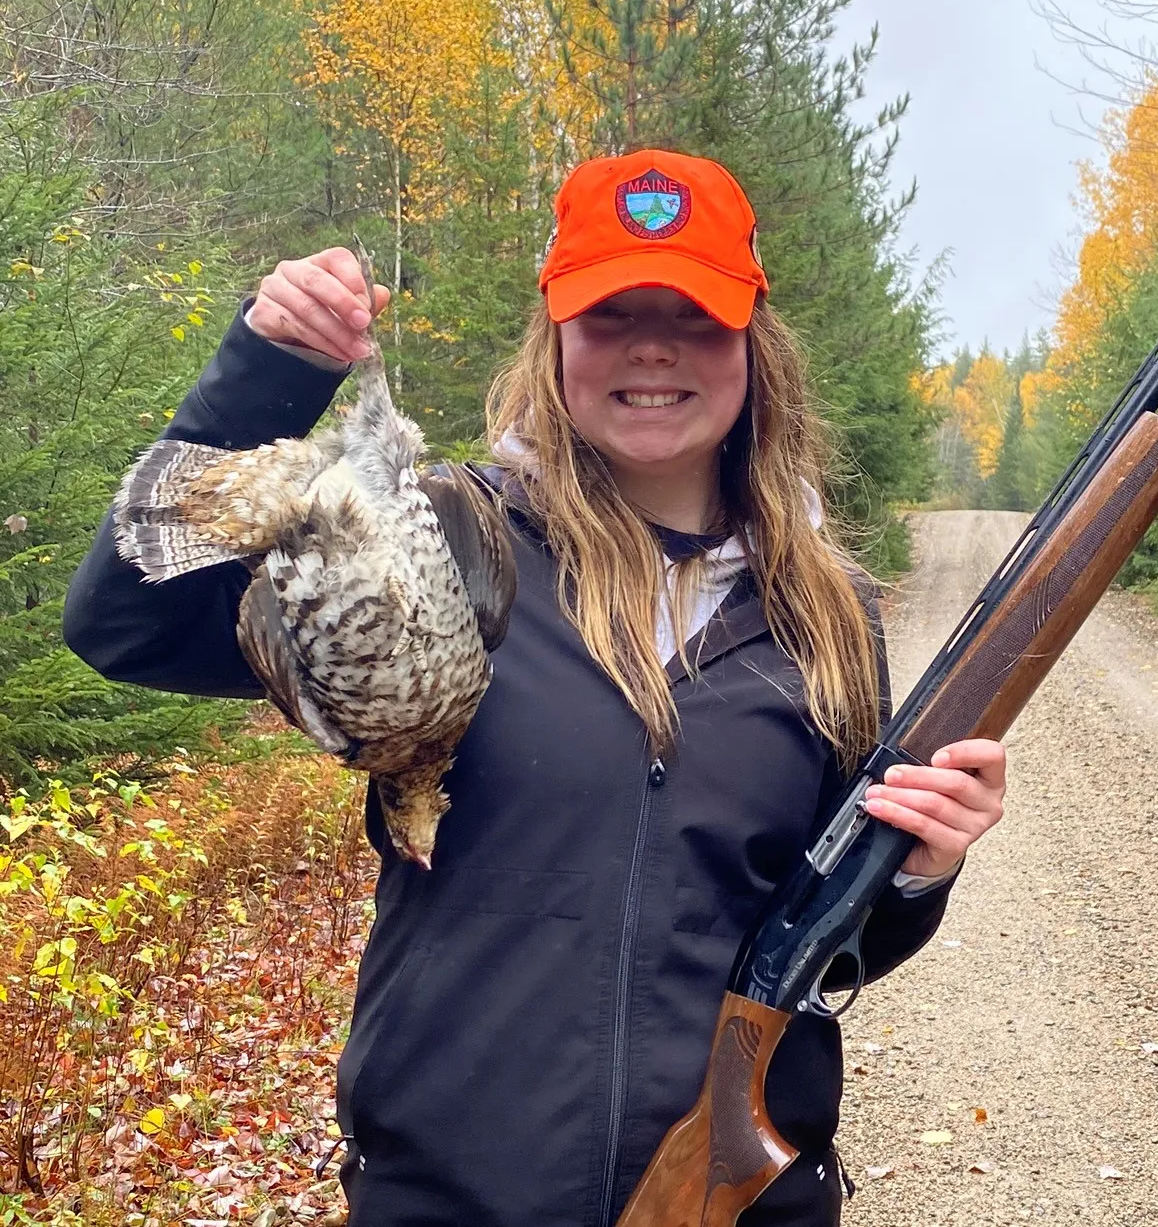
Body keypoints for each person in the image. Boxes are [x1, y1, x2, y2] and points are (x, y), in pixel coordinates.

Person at [63, 148, 1008, 1226]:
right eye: (610, 313)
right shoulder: (436, 543)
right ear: (556, 335)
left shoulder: (826, 609)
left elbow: (827, 939)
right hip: (450, 1196)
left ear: (751, 341)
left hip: (736, 1202)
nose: (652, 348)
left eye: (694, 314)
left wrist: (918, 874)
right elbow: (123, 624)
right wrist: (268, 370)